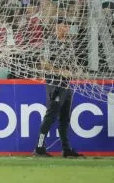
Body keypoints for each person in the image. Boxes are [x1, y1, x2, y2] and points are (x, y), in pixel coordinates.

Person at [33, 18, 83, 158]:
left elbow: (72, 63)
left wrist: (76, 71)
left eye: (68, 26)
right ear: (56, 27)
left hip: (67, 84)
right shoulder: (49, 42)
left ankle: (66, 149)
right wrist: (60, 71)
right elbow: (44, 63)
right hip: (54, 83)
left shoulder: (69, 44)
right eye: (64, 25)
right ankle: (39, 148)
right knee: (51, 116)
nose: (67, 28)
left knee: (65, 118)